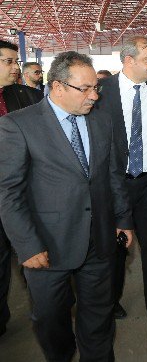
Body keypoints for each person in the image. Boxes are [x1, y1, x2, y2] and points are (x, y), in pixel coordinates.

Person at [0, 51, 133, 360]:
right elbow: (9, 192)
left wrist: (123, 219)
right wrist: (27, 245)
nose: (94, 96)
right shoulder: (18, 125)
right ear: (57, 87)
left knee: (99, 316)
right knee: (49, 319)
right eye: (85, 89)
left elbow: (112, 174)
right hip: (47, 245)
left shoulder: (101, 120)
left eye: (95, 88)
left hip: (98, 239)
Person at [96, 36, 147, 332]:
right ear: (128, 61)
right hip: (116, 186)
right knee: (114, 250)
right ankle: (110, 300)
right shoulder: (102, 94)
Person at [0, 40, 43, 338]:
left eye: (16, 61)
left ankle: (46, 309)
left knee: (31, 253)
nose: (16, 67)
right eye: (9, 61)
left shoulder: (25, 96)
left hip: (22, 193)